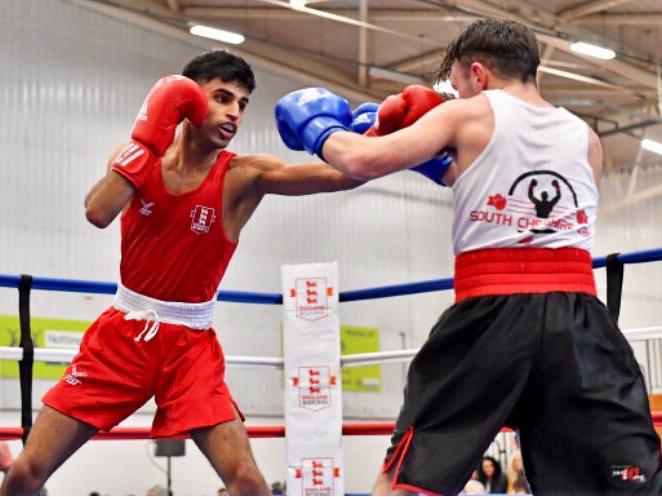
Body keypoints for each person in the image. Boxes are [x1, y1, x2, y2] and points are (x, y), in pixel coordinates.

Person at [274, 17, 662, 495]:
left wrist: (316, 125)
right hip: (579, 320)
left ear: (477, 74)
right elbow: (516, 196)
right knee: (611, 484)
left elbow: (360, 160)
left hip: (491, 315)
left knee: (411, 478)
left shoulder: (468, 115)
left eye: (458, 87)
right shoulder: (586, 137)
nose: (459, 96)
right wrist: (437, 162)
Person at [0, 50, 362, 496]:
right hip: (121, 338)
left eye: (243, 104)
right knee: (23, 474)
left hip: (190, 348)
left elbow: (343, 175)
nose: (234, 112)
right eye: (222, 97)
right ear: (187, 100)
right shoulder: (138, 155)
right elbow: (97, 211)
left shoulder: (243, 176)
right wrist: (147, 144)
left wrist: (380, 139)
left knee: (249, 483)